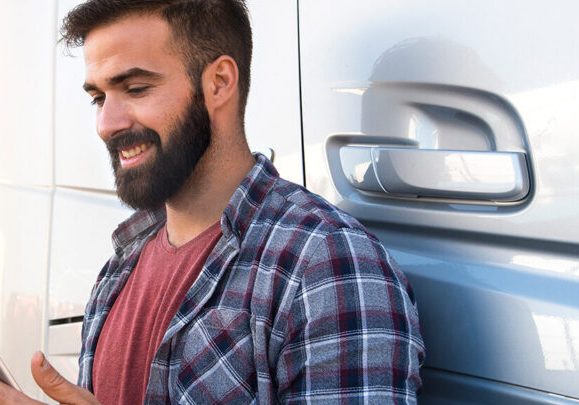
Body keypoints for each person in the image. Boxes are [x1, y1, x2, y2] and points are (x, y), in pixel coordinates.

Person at [0, 0, 425, 403]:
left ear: (219, 82)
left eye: (135, 88)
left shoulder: (326, 265)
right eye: (98, 98)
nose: (106, 124)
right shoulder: (120, 267)